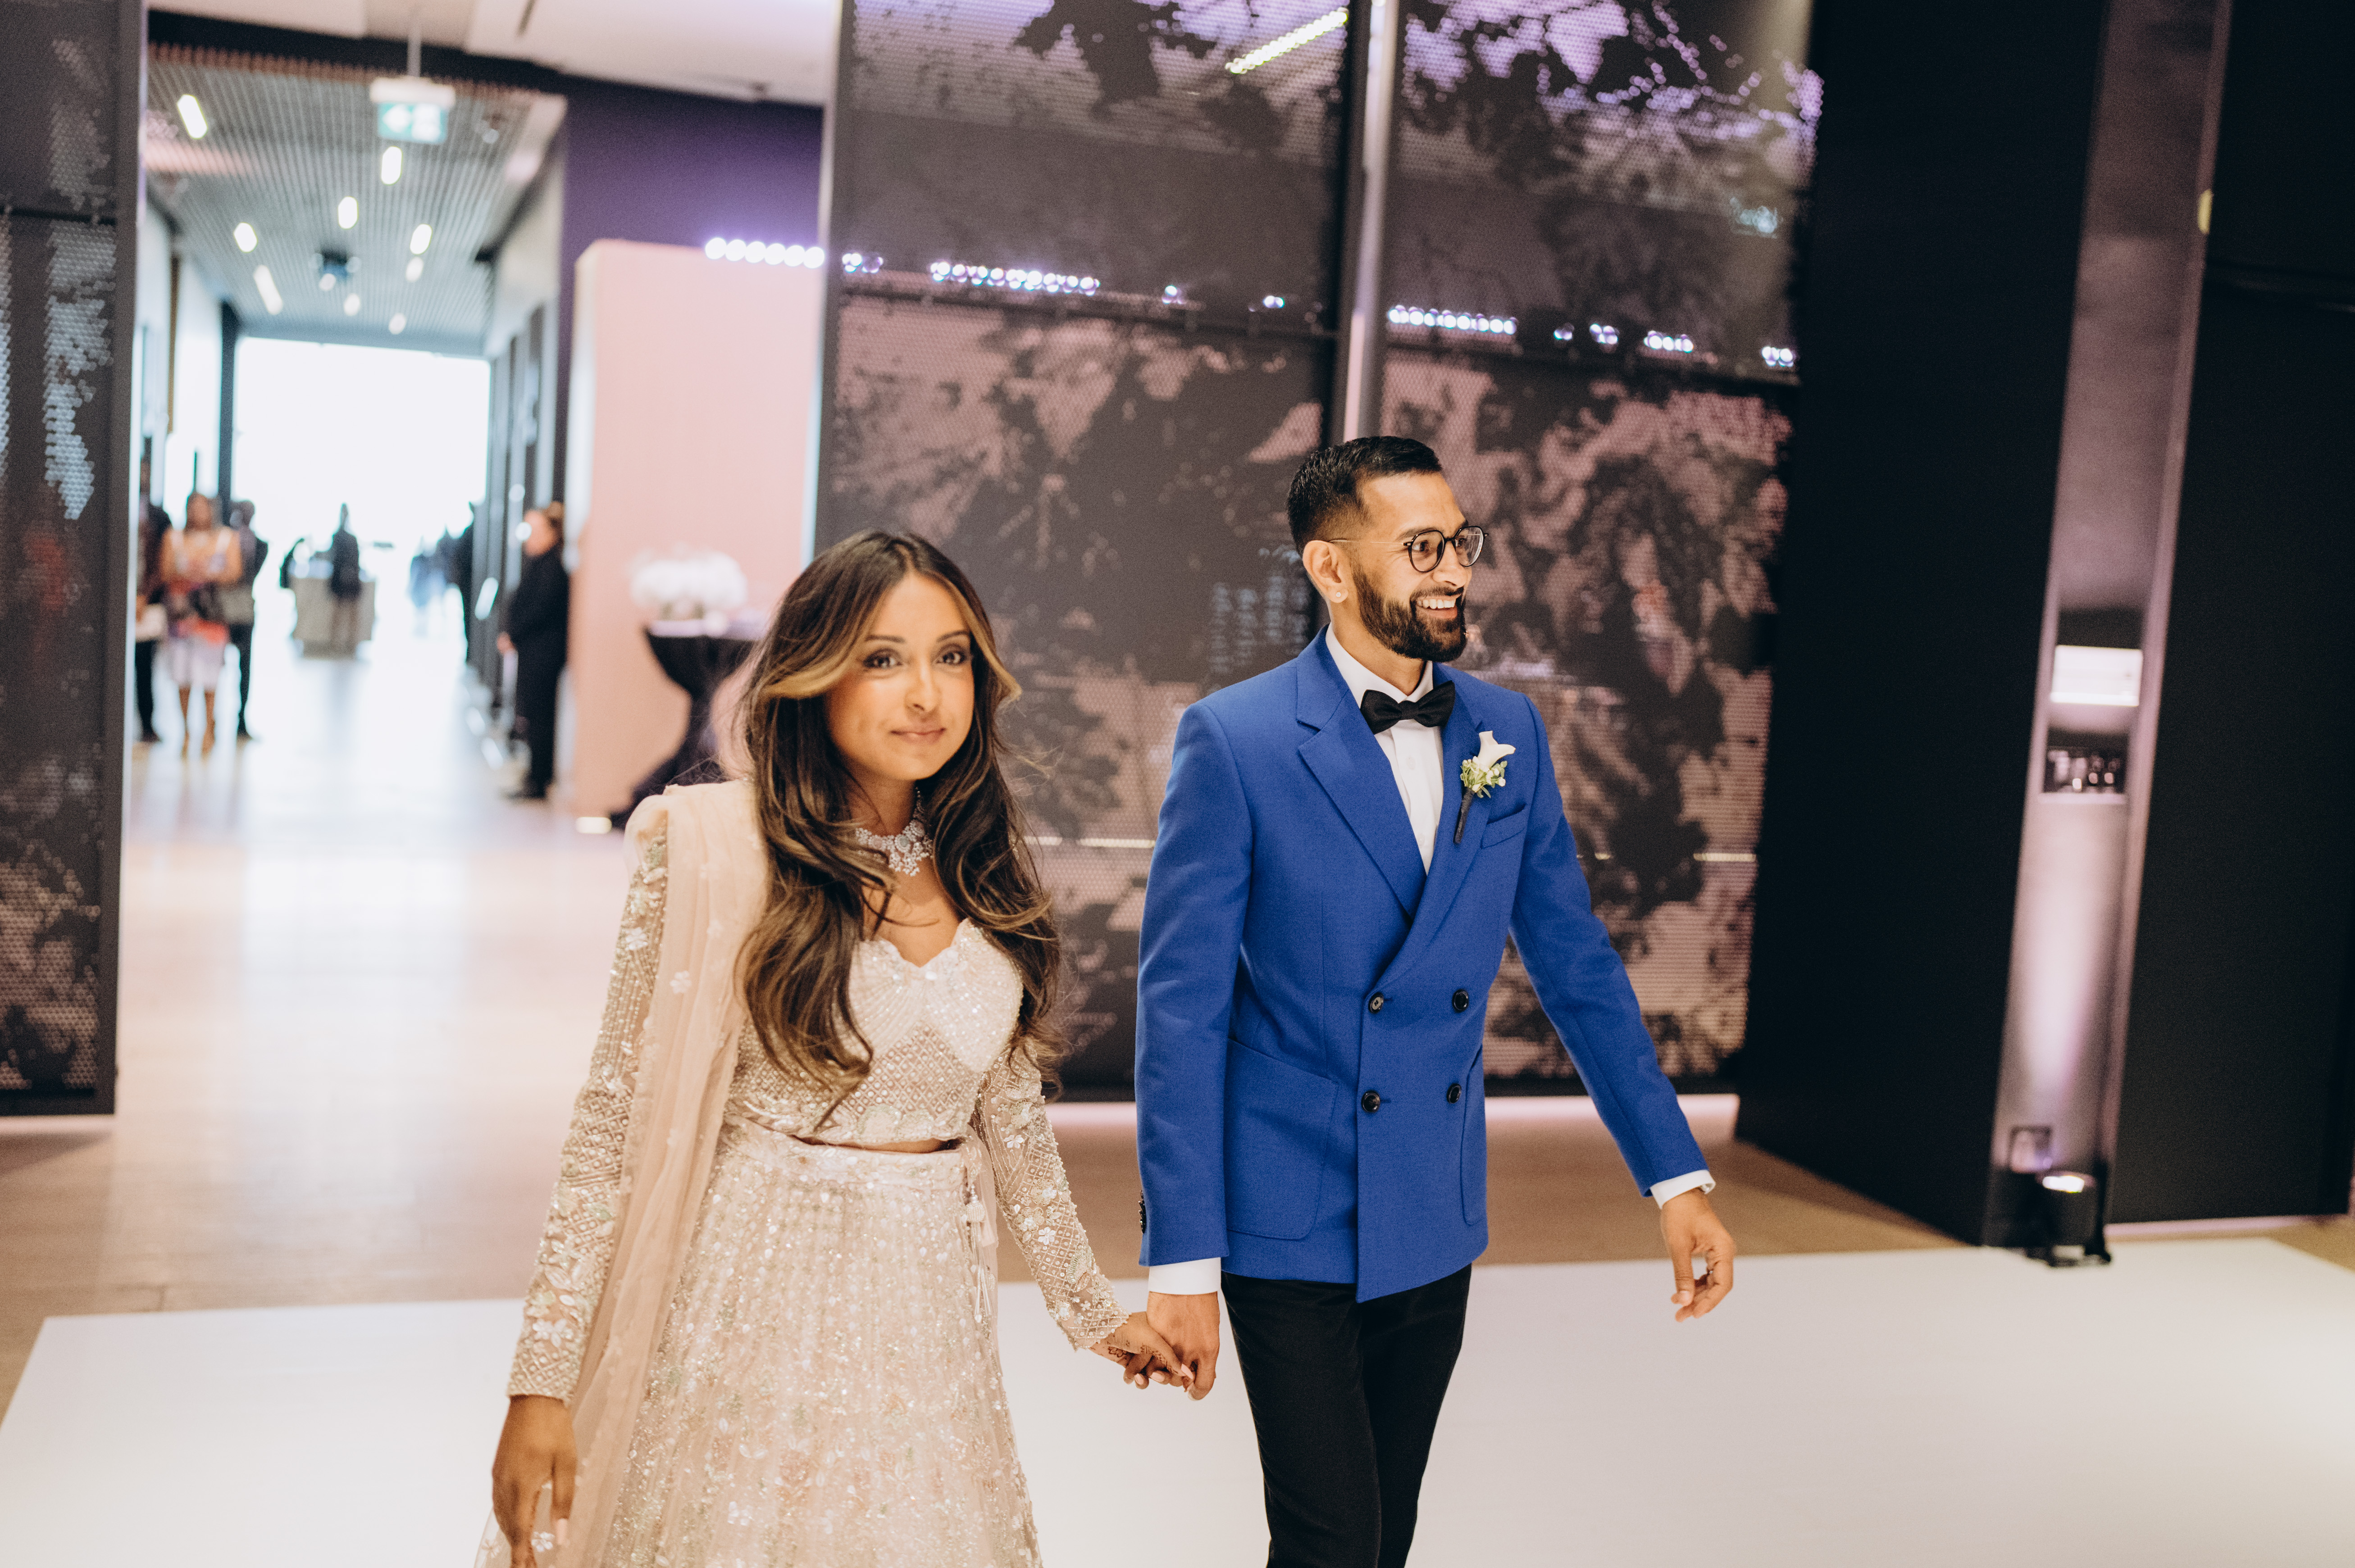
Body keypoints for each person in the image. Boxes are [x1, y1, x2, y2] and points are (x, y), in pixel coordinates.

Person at [482, 531, 1186, 1568]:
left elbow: (1013, 1127)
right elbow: (610, 1130)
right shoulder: (717, 850)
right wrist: (542, 1381)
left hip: (927, 1332)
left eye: (951, 657)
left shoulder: (984, 868)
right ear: (813, 675)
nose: (926, 694)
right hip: (749, 1307)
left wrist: (1092, 1313)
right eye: (882, 658)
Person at [1135, 436, 1740, 1568]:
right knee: (1331, 1538)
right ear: (1328, 568)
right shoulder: (1236, 739)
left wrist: (1674, 1177)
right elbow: (1180, 1017)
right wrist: (1181, 1263)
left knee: (1388, 1533)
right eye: (1421, 548)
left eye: (1460, 543)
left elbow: (1576, 966)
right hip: (1285, 1211)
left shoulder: (1507, 733)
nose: (1454, 570)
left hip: (1430, 1205)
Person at [497, 504, 569, 801]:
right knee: (532, 713)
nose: (530, 538)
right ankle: (534, 776)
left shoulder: (552, 569)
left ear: (552, 533)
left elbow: (538, 610)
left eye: (536, 531)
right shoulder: (539, 565)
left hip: (543, 655)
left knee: (540, 717)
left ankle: (538, 779)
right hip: (533, 652)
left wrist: (514, 634)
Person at [160, 493, 241, 756]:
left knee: (209, 675)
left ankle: (209, 727)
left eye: (202, 508)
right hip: (181, 617)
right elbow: (165, 571)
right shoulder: (174, 537)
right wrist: (187, 572)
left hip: (211, 616)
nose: (198, 513)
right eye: (193, 508)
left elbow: (235, 572)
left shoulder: (225, 537)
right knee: (182, 674)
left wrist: (207, 573)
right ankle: (185, 730)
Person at [220, 500, 269, 741]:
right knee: (214, 665)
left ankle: (241, 721)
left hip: (244, 609)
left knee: (245, 667)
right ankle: (212, 721)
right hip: (221, 609)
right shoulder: (223, 539)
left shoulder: (261, 545)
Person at [133, 484, 169, 745]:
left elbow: (163, 563)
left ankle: (147, 725)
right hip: (118, 599)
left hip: (148, 603)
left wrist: (145, 596)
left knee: (144, 665)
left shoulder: (158, 517)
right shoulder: (112, 510)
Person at [327, 505, 365, 654]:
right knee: (338, 613)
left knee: (352, 614)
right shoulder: (337, 537)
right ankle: (335, 644)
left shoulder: (351, 539)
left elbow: (356, 561)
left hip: (352, 581)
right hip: (340, 581)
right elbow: (334, 559)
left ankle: (352, 643)